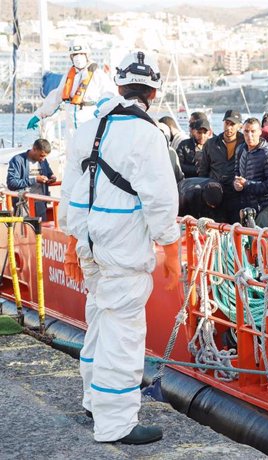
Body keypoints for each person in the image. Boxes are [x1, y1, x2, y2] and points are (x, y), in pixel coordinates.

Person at [60, 51, 180, 444]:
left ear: (119, 86)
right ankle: (116, 424)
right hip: (124, 252)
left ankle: (94, 399)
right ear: (153, 93)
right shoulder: (147, 134)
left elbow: (72, 193)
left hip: (90, 247)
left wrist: (77, 244)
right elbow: (162, 203)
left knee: (99, 322)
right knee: (123, 336)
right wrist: (172, 253)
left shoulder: (90, 128)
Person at [27, 40, 115, 146]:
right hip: (71, 128)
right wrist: (38, 115)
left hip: (90, 122)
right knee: (71, 156)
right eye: (75, 54)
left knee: (90, 153)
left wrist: (103, 108)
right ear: (71, 57)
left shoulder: (98, 74)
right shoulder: (68, 76)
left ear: (87, 55)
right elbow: (55, 97)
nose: (78, 57)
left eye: (81, 54)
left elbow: (109, 93)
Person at [197, 110, 244, 223]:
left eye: (232, 124)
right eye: (226, 123)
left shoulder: (244, 143)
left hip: (237, 195)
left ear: (239, 126)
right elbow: (203, 171)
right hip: (216, 194)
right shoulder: (211, 143)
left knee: (235, 230)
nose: (229, 127)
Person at [7, 138, 56, 220]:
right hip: (23, 204)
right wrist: (35, 180)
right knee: (25, 231)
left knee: (41, 230)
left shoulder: (43, 160)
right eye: (42, 155)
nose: (43, 159)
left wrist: (52, 177)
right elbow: (11, 183)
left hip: (40, 203)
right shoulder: (17, 160)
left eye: (45, 157)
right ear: (34, 149)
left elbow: (49, 173)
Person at [234, 118, 268, 214]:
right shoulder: (240, 149)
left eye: (253, 131)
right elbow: (236, 172)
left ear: (260, 132)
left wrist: (247, 184)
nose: (249, 135)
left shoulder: (267, 154)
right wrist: (236, 184)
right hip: (244, 205)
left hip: (263, 207)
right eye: (246, 131)